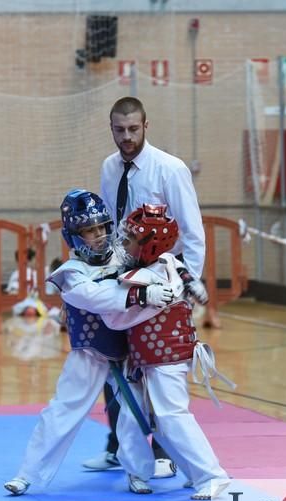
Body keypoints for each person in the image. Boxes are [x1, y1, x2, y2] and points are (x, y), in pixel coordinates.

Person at [3, 189, 174, 497]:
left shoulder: (126, 257)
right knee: (63, 409)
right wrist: (139, 294)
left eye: (101, 227)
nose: (98, 235)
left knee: (134, 413)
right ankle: (27, 474)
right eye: (89, 230)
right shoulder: (70, 273)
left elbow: (159, 267)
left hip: (129, 352)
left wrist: (181, 280)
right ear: (74, 236)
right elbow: (95, 297)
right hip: (91, 353)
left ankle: (137, 473)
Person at [82, 95, 211, 475]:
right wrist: (101, 271)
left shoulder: (169, 169)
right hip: (123, 278)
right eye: (119, 130)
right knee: (113, 361)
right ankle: (118, 447)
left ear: (146, 126)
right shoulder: (109, 167)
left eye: (133, 129)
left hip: (163, 283)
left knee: (155, 367)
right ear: (111, 129)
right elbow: (111, 227)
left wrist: (188, 287)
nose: (127, 137)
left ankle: (165, 453)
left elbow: (193, 231)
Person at [67, 204, 229, 499]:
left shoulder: (157, 275)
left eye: (129, 239)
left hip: (166, 357)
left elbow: (122, 314)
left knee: (172, 415)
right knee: (138, 418)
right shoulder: (147, 270)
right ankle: (163, 474)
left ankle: (212, 475)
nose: (122, 244)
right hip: (143, 359)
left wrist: (177, 288)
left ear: (150, 244)